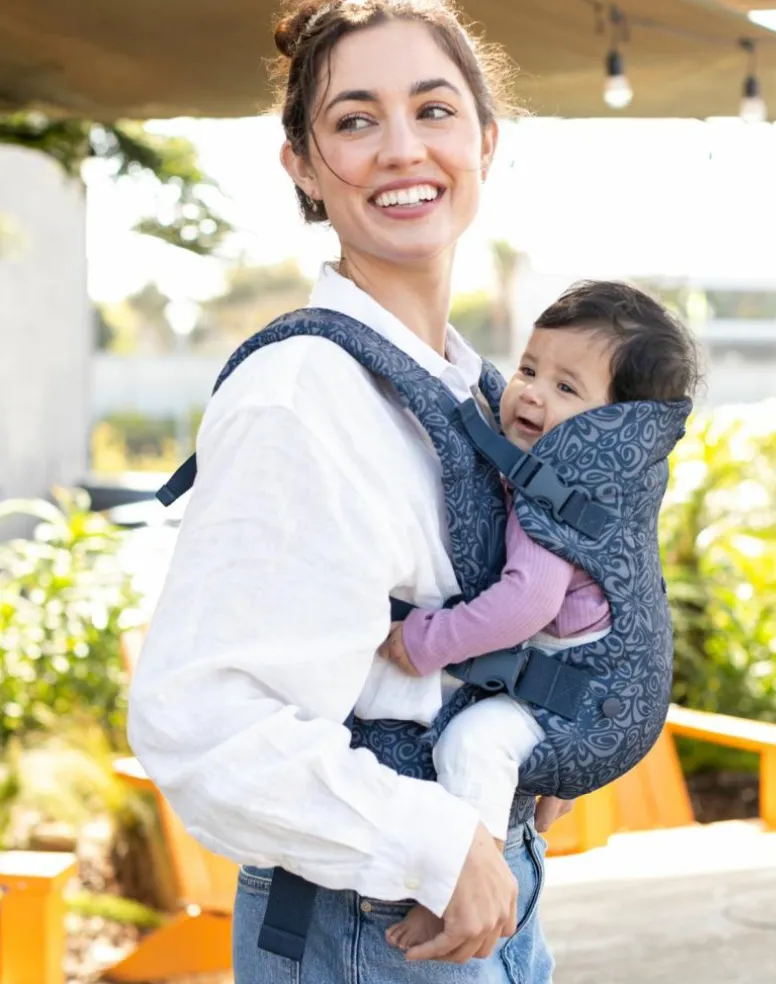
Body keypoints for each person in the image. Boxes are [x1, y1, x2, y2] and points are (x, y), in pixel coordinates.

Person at [126, 2, 566, 981]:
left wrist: (534, 751)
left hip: (488, 889)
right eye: (355, 120)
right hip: (372, 920)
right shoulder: (301, 395)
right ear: (303, 164)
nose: (403, 149)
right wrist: (434, 844)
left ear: (487, 141)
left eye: (435, 111)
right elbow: (204, 721)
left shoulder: (477, 391)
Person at [377, 279, 701, 949]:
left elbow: (527, 603)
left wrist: (424, 641)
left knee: (475, 741)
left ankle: (467, 895)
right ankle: (542, 781)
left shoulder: (559, 490)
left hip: (586, 700)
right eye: (529, 369)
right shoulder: (591, 480)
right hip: (596, 690)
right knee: (493, 733)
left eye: (566, 389)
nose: (530, 393)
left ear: (612, 425)